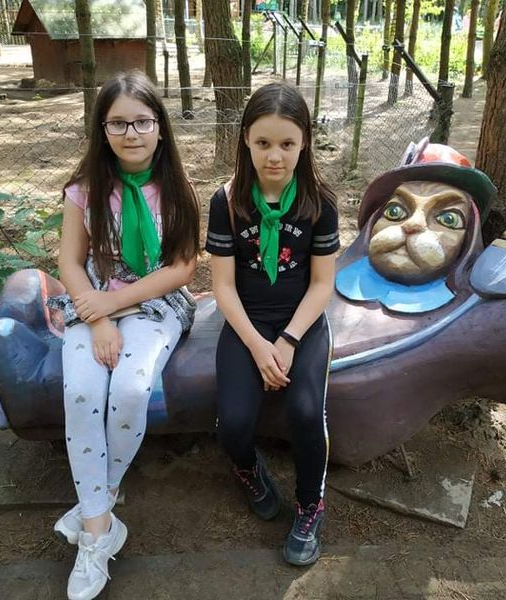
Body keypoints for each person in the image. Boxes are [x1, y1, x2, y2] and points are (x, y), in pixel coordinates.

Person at [50, 71, 200, 600]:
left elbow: (183, 267)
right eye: (118, 123)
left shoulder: (177, 188)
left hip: (156, 303)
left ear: (159, 127)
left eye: (142, 121)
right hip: (92, 302)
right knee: (83, 391)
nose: (131, 133)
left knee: (132, 389)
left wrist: (115, 306)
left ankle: (98, 501)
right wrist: (98, 318)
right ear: (102, 129)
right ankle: (99, 534)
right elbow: (69, 262)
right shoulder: (84, 189)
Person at [205, 82, 339, 566]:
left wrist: (287, 340)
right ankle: (248, 469)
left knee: (305, 413)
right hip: (246, 323)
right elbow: (223, 288)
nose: (275, 156)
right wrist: (259, 347)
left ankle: (310, 503)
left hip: (302, 323)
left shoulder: (320, 202)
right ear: (245, 139)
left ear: (304, 142)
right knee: (233, 424)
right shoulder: (226, 201)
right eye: (263, 143)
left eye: (287, 143)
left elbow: (322, 284)